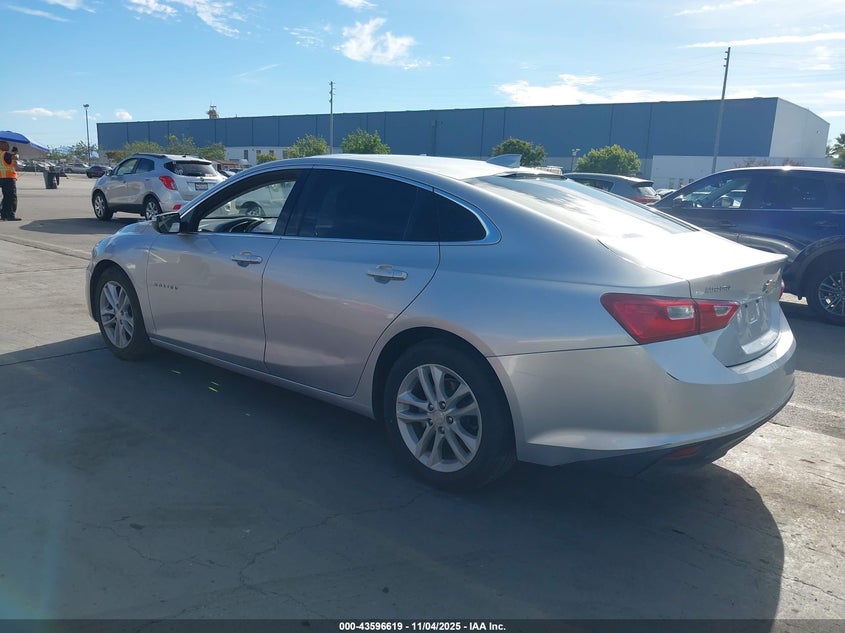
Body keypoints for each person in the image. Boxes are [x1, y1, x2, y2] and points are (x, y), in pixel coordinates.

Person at [0, 141, 20, 221]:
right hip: (8, 178)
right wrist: (16, 152)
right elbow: (16, 157)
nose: (8, 147)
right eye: (6, 145)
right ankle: (10, 215)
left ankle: (4, 214)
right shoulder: (5, 154)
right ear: (1, 146)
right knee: (11, 197)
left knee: (6, 197)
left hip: (1, 178)